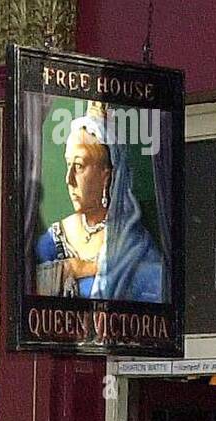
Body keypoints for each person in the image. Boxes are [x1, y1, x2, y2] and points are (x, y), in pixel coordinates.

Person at [35, 103, 166, 302]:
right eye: (68, 164)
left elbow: (157, 297)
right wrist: (70, 268)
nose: (68, 179)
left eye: (79, 166)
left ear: (107, 175)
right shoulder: (56, 237)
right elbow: (21, 283)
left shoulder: (134, 245)